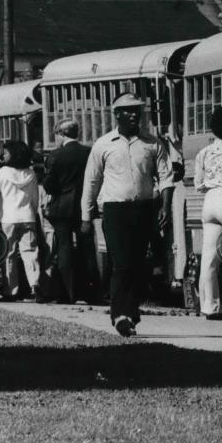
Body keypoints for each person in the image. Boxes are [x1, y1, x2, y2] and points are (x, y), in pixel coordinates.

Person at [82, 92, 173, 337]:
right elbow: (91, 181)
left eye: (138, 111)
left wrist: (165, 206)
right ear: (117, 115)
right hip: (115, 209)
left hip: (144, 209)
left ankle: (130, 311)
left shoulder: (153, 143)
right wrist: (86, 217)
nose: (135, 115)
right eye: (129, 111)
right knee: (121, 263)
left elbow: (165, 177)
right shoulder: (103, 145)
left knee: (138, 264)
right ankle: (119, 314)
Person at [43, 119, 101, 304]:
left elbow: (49, 184)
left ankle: (68, 292)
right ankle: (92, 291)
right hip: (84, 206)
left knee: (64, 248)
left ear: (61, 134)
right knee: (87, 248)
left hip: (61, 208)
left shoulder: (56, 155)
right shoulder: (88, 152)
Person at [193, 106, 222, 321]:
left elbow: (198, 184)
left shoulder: (203, 153)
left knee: (209, 258)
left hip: (209, 200)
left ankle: (210, 306)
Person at [0, 139, 44, 302]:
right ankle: (35, 285)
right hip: (27, 216)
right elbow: (35, 198)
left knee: (9, 254)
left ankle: (10, 290)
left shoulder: (3, 173)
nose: (3, 155)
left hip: (8, 217)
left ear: (13, 155)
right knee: (30, 252)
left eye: (6, 152)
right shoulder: (30, 173)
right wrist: (32, 212)